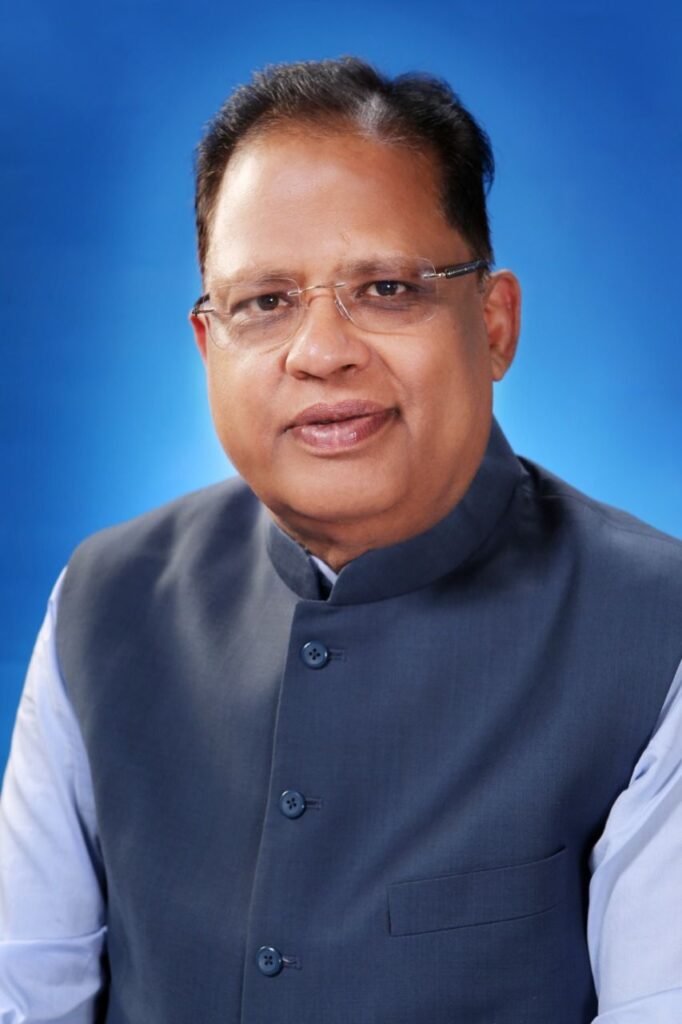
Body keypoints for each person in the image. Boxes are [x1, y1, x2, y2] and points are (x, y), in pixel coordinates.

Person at [1, 56, 681, 1024]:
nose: (322, 353)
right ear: (208, 345)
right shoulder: (104, 599)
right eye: (264, 302)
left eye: (388, 288)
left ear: (493, 324)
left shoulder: (656, 633)